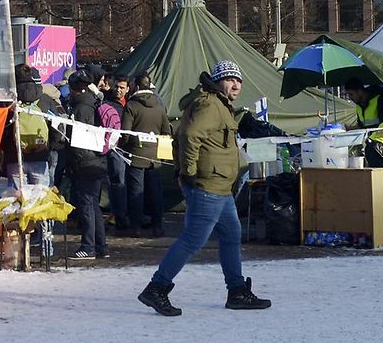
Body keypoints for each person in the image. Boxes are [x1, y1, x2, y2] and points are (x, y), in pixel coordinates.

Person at [138, 60, 271, 316]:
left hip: (220, 187)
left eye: (238, 80)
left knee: (232, 235)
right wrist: (187, 171)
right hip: (207, 185)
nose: (235, 84)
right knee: (193, 240)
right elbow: (189, 136)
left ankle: (237, 290)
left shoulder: (220, 105)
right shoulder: (210, 104)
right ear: (218, 81)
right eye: (230, 79)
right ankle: (157, 288)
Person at [65, 69, 111, 261]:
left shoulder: (81, 107)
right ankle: (101, 246)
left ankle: (88, 246)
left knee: (86, 206)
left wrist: (74, 162)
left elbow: (78, 138)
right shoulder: (93, 102)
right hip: (97, 160)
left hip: (85, 162)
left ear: (74, 88)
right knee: (94, 205)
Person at [122, 73, 170, 237]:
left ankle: (136, 227)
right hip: (155, 156)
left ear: (135, 85)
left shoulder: (131, 106)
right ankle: (158, 225)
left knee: (136, 192)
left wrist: (125, 145)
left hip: (136, 154)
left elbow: (126, 133)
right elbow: (166, 131)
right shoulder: (160, 105)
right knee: (155, 191)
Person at [99, 74, 131, 231]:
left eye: (122, 87)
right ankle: (118, 214)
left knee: (123, 183)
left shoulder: (131, 103)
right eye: (117, 86)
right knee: (116, 181)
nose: (118, 90)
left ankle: (122, 213)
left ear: (127, 89)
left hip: (128, 147)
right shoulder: (108, 103)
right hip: (114, 148)